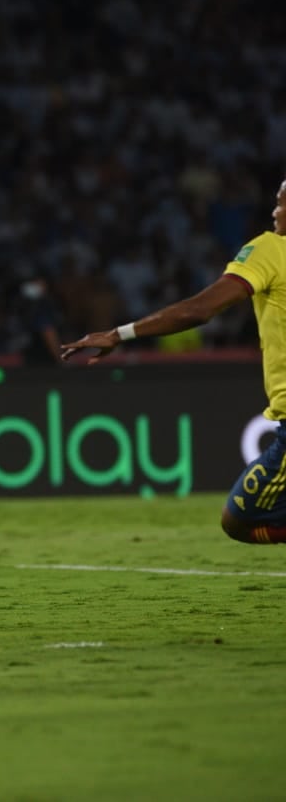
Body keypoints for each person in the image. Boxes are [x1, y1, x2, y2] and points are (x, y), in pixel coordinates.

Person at [61, 174, 286, 546]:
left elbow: (198, 311)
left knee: (240, 519)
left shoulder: (271, 250)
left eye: (281, 203)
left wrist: (120, 334)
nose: (274, 211)